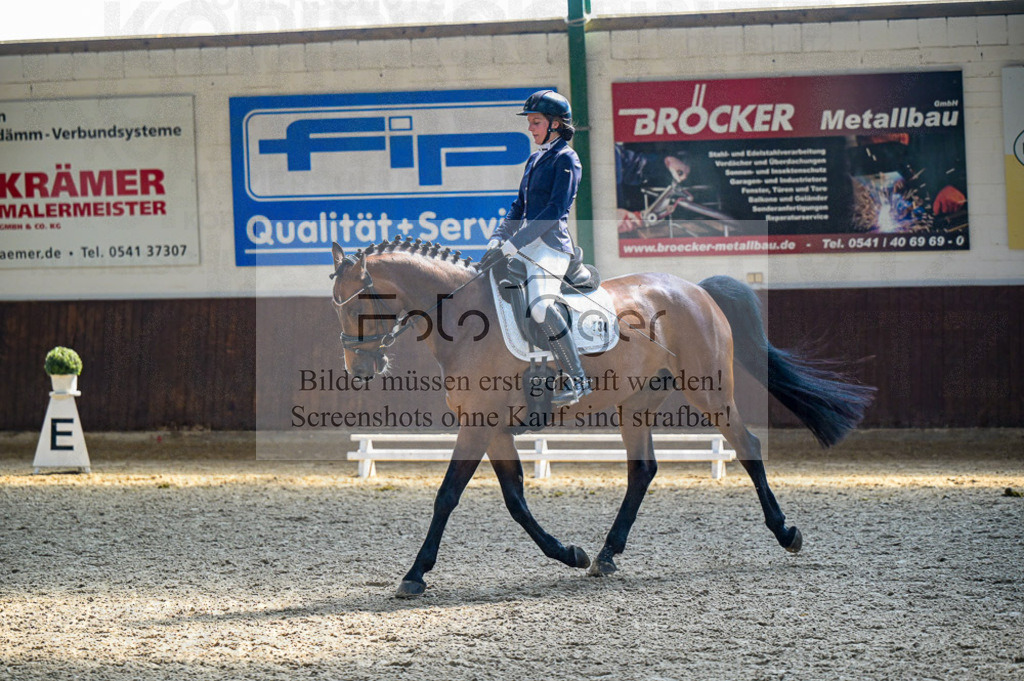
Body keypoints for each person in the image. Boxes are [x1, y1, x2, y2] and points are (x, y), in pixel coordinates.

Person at [479, 90, 591, 407]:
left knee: (541, 306)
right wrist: (497, 239)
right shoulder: (535, 158)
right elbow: (519, 207)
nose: (531, 128)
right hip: (525, 245)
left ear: (555, 124)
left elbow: (554, 211)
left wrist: (514, 244)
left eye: (536, 122)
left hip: (551, 247)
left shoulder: (567, 159)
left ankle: (578, 378)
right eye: (530, 122)